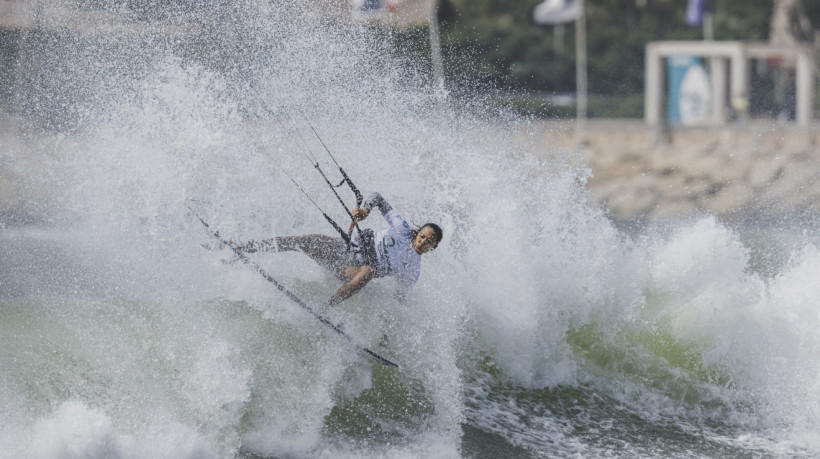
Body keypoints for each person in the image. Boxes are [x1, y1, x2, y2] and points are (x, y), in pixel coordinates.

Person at [234, 192, 442, 314]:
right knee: (305, 241)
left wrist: (385, 335)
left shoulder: (412, 271)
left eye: (429, 242)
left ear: (432, 248)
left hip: (349, 271)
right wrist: (366, 210)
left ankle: (324, 308)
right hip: (344, 248)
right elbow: (377, 198)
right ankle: (245, 247)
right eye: (423, 236)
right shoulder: (401, 228)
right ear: (417, 233)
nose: (423, 242)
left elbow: (397, 304)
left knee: (368, 271)